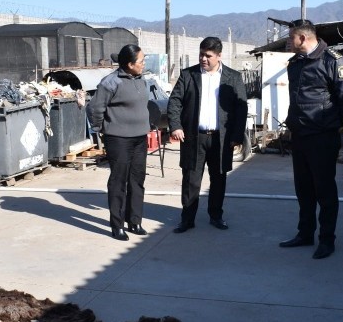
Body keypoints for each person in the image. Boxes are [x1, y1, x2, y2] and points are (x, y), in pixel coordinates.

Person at [279, 20, 343, 259]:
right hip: (300, 135)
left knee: (324, 190)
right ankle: (305, 234)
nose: (288, 41)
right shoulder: (295, 64)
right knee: (303, 190)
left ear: (302, 38)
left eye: (291, 37)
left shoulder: (333, 60)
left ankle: (326, 240)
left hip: (322, 137)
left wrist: (331, 123)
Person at [167, 36, 248, 233]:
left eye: (208, 55)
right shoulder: (188, 75)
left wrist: (237, 136)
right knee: (191, 180)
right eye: (201, 54)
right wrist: (176, 126)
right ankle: (187, 219)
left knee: (218, 178)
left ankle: (216, 215)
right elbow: (175, 101)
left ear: (219, 56)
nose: (203, 59)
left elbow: (241, 109)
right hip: (194, 137)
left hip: (221, 139)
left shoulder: (233, 77)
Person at [86, 44, 150, 241]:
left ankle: (135, 221)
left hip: (140, 138)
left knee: (137, 181)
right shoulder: (110, 83)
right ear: (130, 64)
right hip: (118, 140)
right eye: (141, 61)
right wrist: (102, 130)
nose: (143, 64)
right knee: (118, 182)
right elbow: (94, 108)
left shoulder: (142, 80)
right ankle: (117, 225)